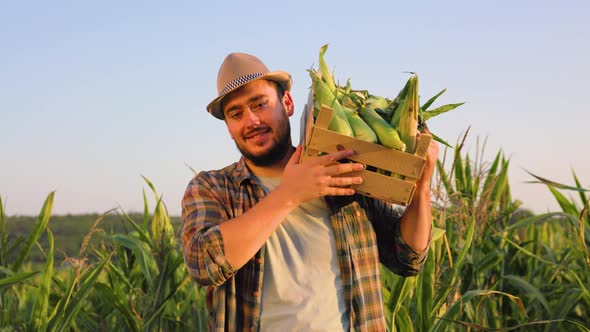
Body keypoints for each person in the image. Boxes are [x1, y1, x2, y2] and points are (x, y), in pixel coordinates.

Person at [181, 52, 438, 332]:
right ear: (229, 128)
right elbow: (203, 263)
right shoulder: (212, 187)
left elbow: (407, 258)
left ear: (287, 104)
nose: (251, 120)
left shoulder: (343, 174)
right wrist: (289, 194)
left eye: (260, 104)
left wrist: (422, 186)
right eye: (236, 114)